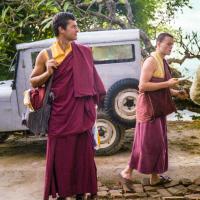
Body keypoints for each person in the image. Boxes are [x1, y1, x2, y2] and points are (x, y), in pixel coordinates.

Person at [30, 12, 106, 200]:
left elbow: (93, 81)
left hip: (81, 113)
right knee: (61, 157)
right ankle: (62, 193)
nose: (77, 29)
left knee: (83, 155)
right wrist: (48, 72)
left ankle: (81, 192)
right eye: (73, 26)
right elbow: (33, 82)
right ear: (61, 29)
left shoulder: (84, 52)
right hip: (59, 115)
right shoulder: (46, 54)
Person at [119, 33, 188, 189]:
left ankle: (153, 177)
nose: (171, 47)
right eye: (168, 44)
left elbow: (161, 85)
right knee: (146, 143)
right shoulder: (151, 61)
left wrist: (176, 93)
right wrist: (167, 84)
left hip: (158, 108)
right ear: (158, 43)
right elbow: (143, 86)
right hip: (149, 109)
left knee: (156, 143)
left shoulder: (162, 61)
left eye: (172, 44)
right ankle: (127, 171)